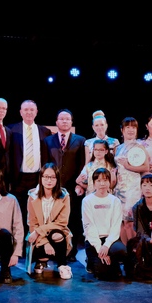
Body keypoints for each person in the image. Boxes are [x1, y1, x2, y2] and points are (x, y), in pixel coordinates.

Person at [42, 108, 86, 261]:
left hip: (73, 187)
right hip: (52, 187)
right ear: (57, 122)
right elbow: (45, 165)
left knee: (73, 219)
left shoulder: (80, 140)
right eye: (62, 119)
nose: (65, 121)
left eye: (67, 119)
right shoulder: (48, 141)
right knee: (53, 219)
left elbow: (82, 164)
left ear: (71, 122)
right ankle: (54, 251)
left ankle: (71, 251)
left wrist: (80, 185)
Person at [7, 99, 52, 235]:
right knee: (19, 212)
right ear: (20, 112)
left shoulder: (45, 131)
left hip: (38, 178)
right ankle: (19, 241)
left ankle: (35, 240)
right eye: (26, 110)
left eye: (32, 110)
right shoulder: (11, 130)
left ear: (36, 112)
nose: (29, 112)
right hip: (18, 178)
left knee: (36, 212)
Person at [26, 163, 73, 279]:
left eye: (52, 177)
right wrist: (45, 242)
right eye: (46, 177)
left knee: (57, 234)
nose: (49, 180)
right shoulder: (32, 196)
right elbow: (32, 223)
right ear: (41, 178)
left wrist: (39, 231)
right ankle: (41, 260)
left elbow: (62, 223)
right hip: (39, 239)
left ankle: (62, 265)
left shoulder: (64, 196)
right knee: (37, 242)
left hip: (55, 235)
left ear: (57, 179)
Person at [81, 167, 129, 280]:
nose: (102, 184)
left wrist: (106, 245)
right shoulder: (87, 201)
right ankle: (92, 262)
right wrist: (100, 248)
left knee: (121, 251)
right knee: (102, 274)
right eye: (98, 180)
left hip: (111, 240)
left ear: (109, 182)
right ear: (94, 183)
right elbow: (89, 227)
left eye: (105, 180)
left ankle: (112, 263)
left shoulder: (115, 201)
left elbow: (115, 226)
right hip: (94, 241)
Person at [113, 117, 150, 245]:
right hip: (119, 188)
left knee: (130, 221)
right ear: (122, 130)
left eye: (133, 127)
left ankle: (134, 251)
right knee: (121, 222)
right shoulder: (118, 148)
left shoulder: (139, 147)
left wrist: (128, 166)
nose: (130, 130)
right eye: (127, 127)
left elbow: (146, 167)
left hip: (133, 188)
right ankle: (125, 251)